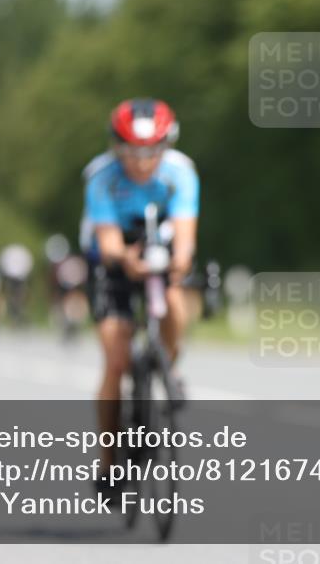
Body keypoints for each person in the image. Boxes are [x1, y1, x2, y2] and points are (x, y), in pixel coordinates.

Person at [80, 98, 199, 493]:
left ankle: (169, 363)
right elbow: (109, 241)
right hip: (111, 256)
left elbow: (185, 235)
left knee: (176, 300)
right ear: (116, 147)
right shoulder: (101, 176)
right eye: (131, 152)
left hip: (160, 249)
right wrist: (125, 260)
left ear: (167, 145)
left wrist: (179, 262)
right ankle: (109, 463)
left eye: (151, 151)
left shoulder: (181, 172)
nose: (142, 161)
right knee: (115, 361)